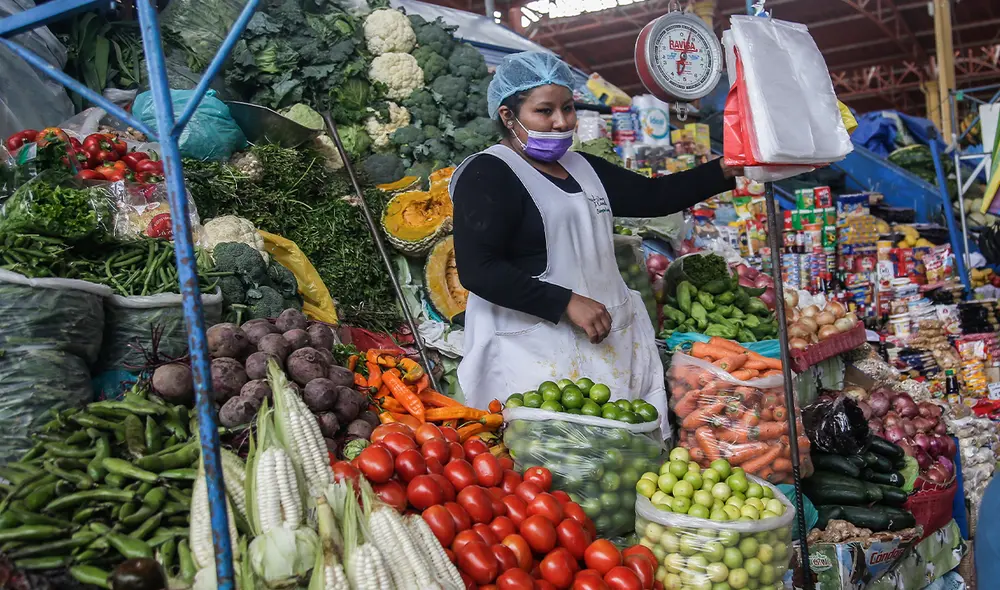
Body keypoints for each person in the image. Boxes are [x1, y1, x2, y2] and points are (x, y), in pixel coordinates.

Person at [449, 52, 741, 429]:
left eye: (568, 108)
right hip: (532, 352)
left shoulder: (582, 167)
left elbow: (655, 197)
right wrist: (565, 301)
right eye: (544, 111)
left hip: (604, 343)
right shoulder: (488, 173)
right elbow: (478, 270)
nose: (561, 122)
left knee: (622, 451)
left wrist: (726, 168)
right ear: (508, 115)